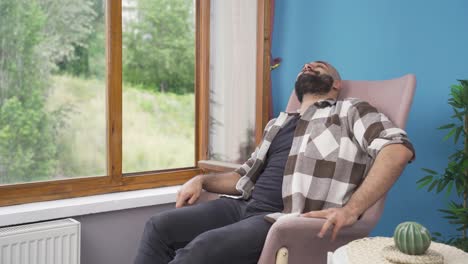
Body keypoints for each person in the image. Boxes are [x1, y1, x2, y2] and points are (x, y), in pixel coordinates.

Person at [134, 61, 415, 264]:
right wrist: (202, 180)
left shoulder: (350, 110)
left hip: (284, 218)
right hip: (242, 207)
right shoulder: (277, 123)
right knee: (159, 226)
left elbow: (396, 150)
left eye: (319, 66)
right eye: (305, 66)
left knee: (201, 249)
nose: (309, 65)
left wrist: (352, 210)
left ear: (336, 84)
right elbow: (243, 178)